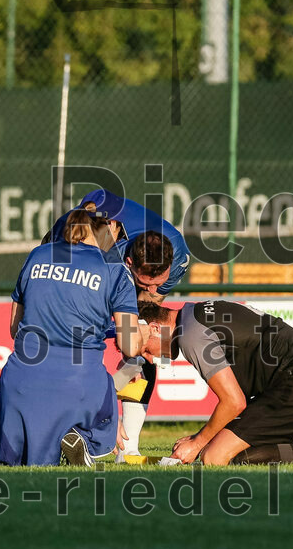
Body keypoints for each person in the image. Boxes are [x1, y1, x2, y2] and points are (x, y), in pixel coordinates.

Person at [0, 204, 144, 467]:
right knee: (105, 399)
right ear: (108, 227)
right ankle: (85, 439)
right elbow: (130, 346)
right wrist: (140, 334)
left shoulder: (38, 254)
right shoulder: (114, 268)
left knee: (13, 462)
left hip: (21, 382)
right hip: (79, 384)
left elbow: (14, 328)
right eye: (118, 232)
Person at [46, 188, 190, 458]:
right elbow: (96, 196)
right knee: (78, 349)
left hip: (111, 268)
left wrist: (134, 352)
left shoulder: (177, 252)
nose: (154, 289)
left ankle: (128, 448)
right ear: (130, 263)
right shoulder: (99, 243)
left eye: (159, 283)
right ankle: (70, 428)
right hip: (67, 266)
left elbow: (147, 308)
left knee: (144, 351)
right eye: (146, 283)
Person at [138, 300, 293, 465]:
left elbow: (234, 402)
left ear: (156, 328)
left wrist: (197, 442)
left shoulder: (190, 336)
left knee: (214, 457)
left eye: (145, 349)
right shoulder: (193, 314)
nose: (149, 358)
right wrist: (202, 438)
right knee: (227, 451)